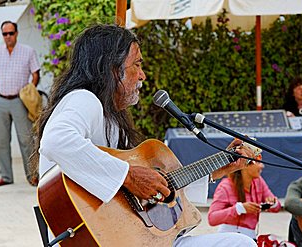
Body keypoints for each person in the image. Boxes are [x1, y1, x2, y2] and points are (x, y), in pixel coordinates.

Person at [30, 23, 257, 246]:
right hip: (95, 238)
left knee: (237, 242)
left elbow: (146, 193)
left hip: (127, 238)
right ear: (111, 68)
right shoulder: (84, 99)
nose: (142, 75)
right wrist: (129, 177)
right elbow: (56, 141)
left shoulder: (114, 121)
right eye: (137, 65)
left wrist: (215, 170)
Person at [0, 20, 40, 187]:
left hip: (19, 101)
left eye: (11, 33)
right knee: (1, 142)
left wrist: (29, 91)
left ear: (16, 33)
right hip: (1, 101)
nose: (8, 36)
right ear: (2, 35)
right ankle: (6, 176)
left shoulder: (28, 51)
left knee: (26, 141)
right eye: (5, 34)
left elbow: (35, 73)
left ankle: (33, 176)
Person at [208, 154, 281, 240]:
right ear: (245, 165)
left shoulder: (259, 181)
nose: (262, 166)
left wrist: (273, 203)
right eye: (257, 162)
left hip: (251, 237)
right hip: (229, 238)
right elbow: (212, 218)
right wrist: (239, 209)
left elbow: (277, 207)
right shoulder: (225, 186)